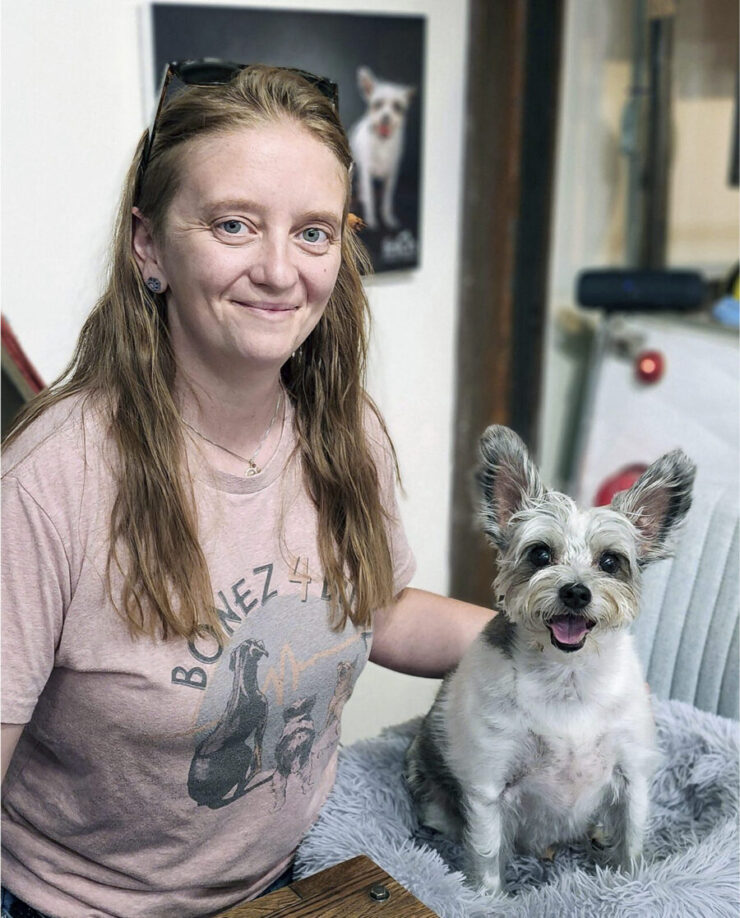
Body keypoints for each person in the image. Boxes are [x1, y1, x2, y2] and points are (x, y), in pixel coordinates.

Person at [1, 62, 493, 917]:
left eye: (312, 233)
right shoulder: (49, 484)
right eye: (234, 224)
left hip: (293, 876)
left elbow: (372, 610)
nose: (279, 270)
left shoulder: (346, 432)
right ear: (147, 244)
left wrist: (545, 642)